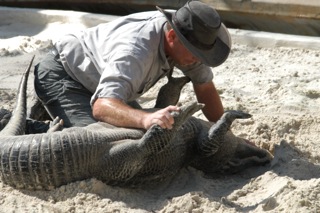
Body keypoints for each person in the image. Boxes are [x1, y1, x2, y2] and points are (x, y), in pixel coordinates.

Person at [33, 0, 231, 130]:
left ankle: (53, 110)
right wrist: (145, 118)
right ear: (172, 37)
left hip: (104, 82)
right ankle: (32, 126)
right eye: (195, 53)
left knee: (138, 133)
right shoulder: (135, 50)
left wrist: (225, 132)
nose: (198, 60)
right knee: (99, 143)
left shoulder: (186, 36)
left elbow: (204, 85)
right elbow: (102, 106)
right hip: (66, 75)